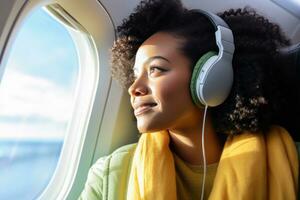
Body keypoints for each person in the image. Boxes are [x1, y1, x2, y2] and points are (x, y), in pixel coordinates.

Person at [79, 0, 299, 199]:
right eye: (135, 75)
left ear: (212, 76)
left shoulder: (290, 162)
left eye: (156, 69)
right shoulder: (110, 175)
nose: (134, 88)